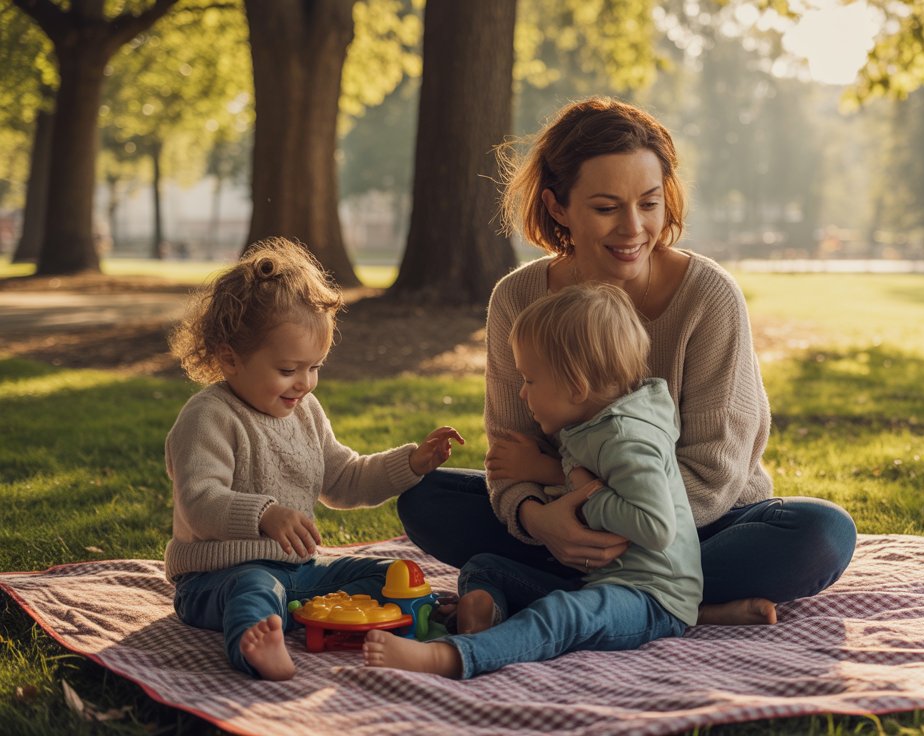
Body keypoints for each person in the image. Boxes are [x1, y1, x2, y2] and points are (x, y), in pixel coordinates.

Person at [396, 96, 856, 626]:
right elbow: (508, 453)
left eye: (649, 203)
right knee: (426, 497)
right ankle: (677, 606)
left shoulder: (708, 298)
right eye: (606, 207)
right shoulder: (517, 299)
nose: (633, 227)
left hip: (699, 526)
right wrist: (539, 520)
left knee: (822, 534)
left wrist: (581, 501)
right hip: (560, 523)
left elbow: (714, 475)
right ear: (557, 206)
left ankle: (564, 590)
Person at [164, 237, 465, 680]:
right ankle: (256, 648)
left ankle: (424, 619)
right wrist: (265, 516)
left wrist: (412, 464)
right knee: (254, 589)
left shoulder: (304, 410)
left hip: (299, 573)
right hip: (216, 578)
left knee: (391, 575)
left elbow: (344, 477)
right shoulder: (209, 417)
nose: (305, 383)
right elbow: (200, 502)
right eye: (288, 370)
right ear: (230, 359)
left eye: (315, 366)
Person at [364, 283, 700, 677]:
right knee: (484, 567)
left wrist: (577, 485)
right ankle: (486, 616)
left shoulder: (626, 438)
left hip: (651, 598)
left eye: (530, 380)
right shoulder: (592, 423)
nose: (522, 394)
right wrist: (552, 479)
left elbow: (656, 527)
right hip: (597, 579)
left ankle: (455, 655)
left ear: (576, 386)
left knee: (563, 615)